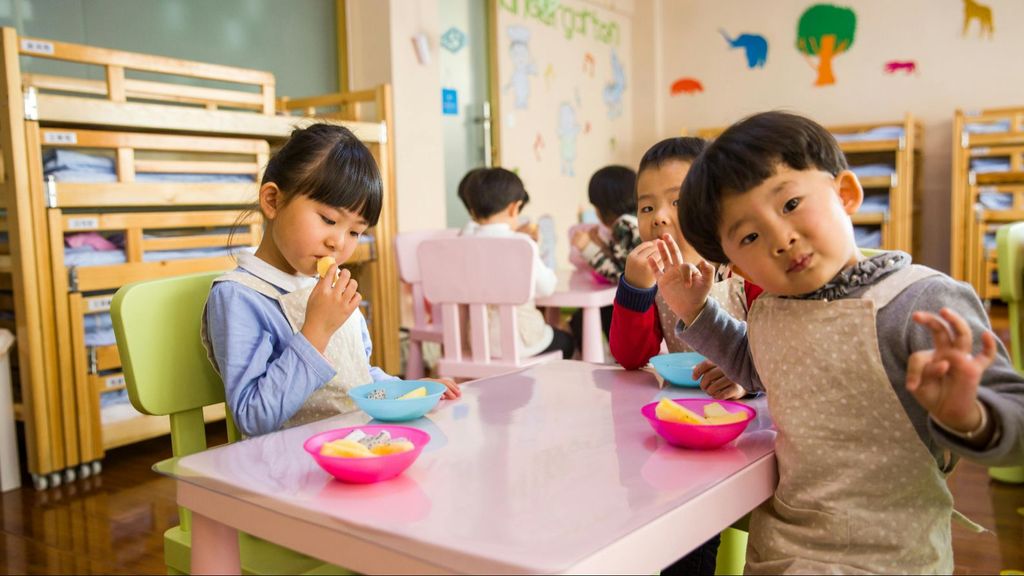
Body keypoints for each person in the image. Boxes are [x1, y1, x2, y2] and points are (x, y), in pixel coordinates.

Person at [653, 111, 1024, 573]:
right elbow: (753, 364)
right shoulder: (770, 308)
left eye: (789, 204)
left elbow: (1017, 428)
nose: (780, 238)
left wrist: (970, 416)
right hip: (782, 549)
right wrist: (696, 309)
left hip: (892, 557)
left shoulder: (918, 301)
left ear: (845, 194)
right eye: (749, 235)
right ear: (738, 266)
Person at [204, 124, 459, 437]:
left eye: (354, 232)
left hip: (354, 446)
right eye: (328, 220)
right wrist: (315, 332)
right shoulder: (240, 296)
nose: (339, 243)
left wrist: (406, 389)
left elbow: (357, 381)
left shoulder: (325, 284)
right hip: (289, 469)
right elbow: (253, 417)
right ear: (272, 201)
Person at [610, 137, 760, 400]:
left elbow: (783, 353)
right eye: (647, 207)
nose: (658, 217)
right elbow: (631, 358)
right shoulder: (656, 279)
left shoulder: (747, 269)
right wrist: (636, 289)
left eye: (677, 202)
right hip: (683, 402)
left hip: (756, 411)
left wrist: (748, 380)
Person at [461, 167, 575, 359]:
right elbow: (546, 288)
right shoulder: (522, 244)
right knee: (567, 341)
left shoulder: (462, 243)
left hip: (478, 343)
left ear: (472, 210)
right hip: (522, 343)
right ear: (514, 208)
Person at [568, 165, 642, 350]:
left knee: (582, 319)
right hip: (644, 298)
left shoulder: (624, 225)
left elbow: (618, 274)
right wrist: (599, 245)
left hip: (638, 303)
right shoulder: (634, 221)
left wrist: (587, 248)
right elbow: (622, 259)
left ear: (604, 207)